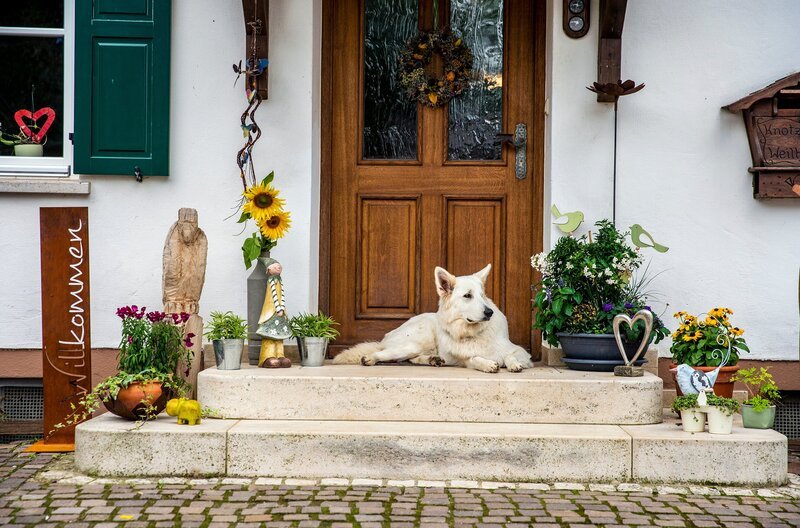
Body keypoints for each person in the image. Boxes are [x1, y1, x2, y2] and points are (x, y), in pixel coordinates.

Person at [256, 257, 292, 368]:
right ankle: (268, 356)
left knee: (279, 335)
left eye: (278, 265)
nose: (278, 267)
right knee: (269, 336)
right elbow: (273, 295)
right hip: (272, 311)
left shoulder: (279, 280)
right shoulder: (271, 281)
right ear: (268, 270)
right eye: (274, 266)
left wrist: (282, 308)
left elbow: (281, 295)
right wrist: (277, 308)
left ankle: (280, 355)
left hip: (280, 311)